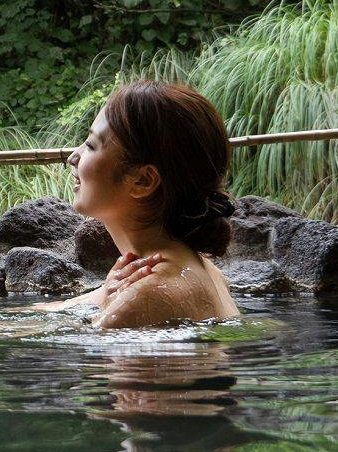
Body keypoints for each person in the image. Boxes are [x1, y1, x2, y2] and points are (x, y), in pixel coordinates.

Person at [37, 80, 240, 328]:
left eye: (90, 145)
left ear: (143, 180)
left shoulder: (147, 295)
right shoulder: (203, 270)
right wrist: (103, 297)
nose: (73, 157)